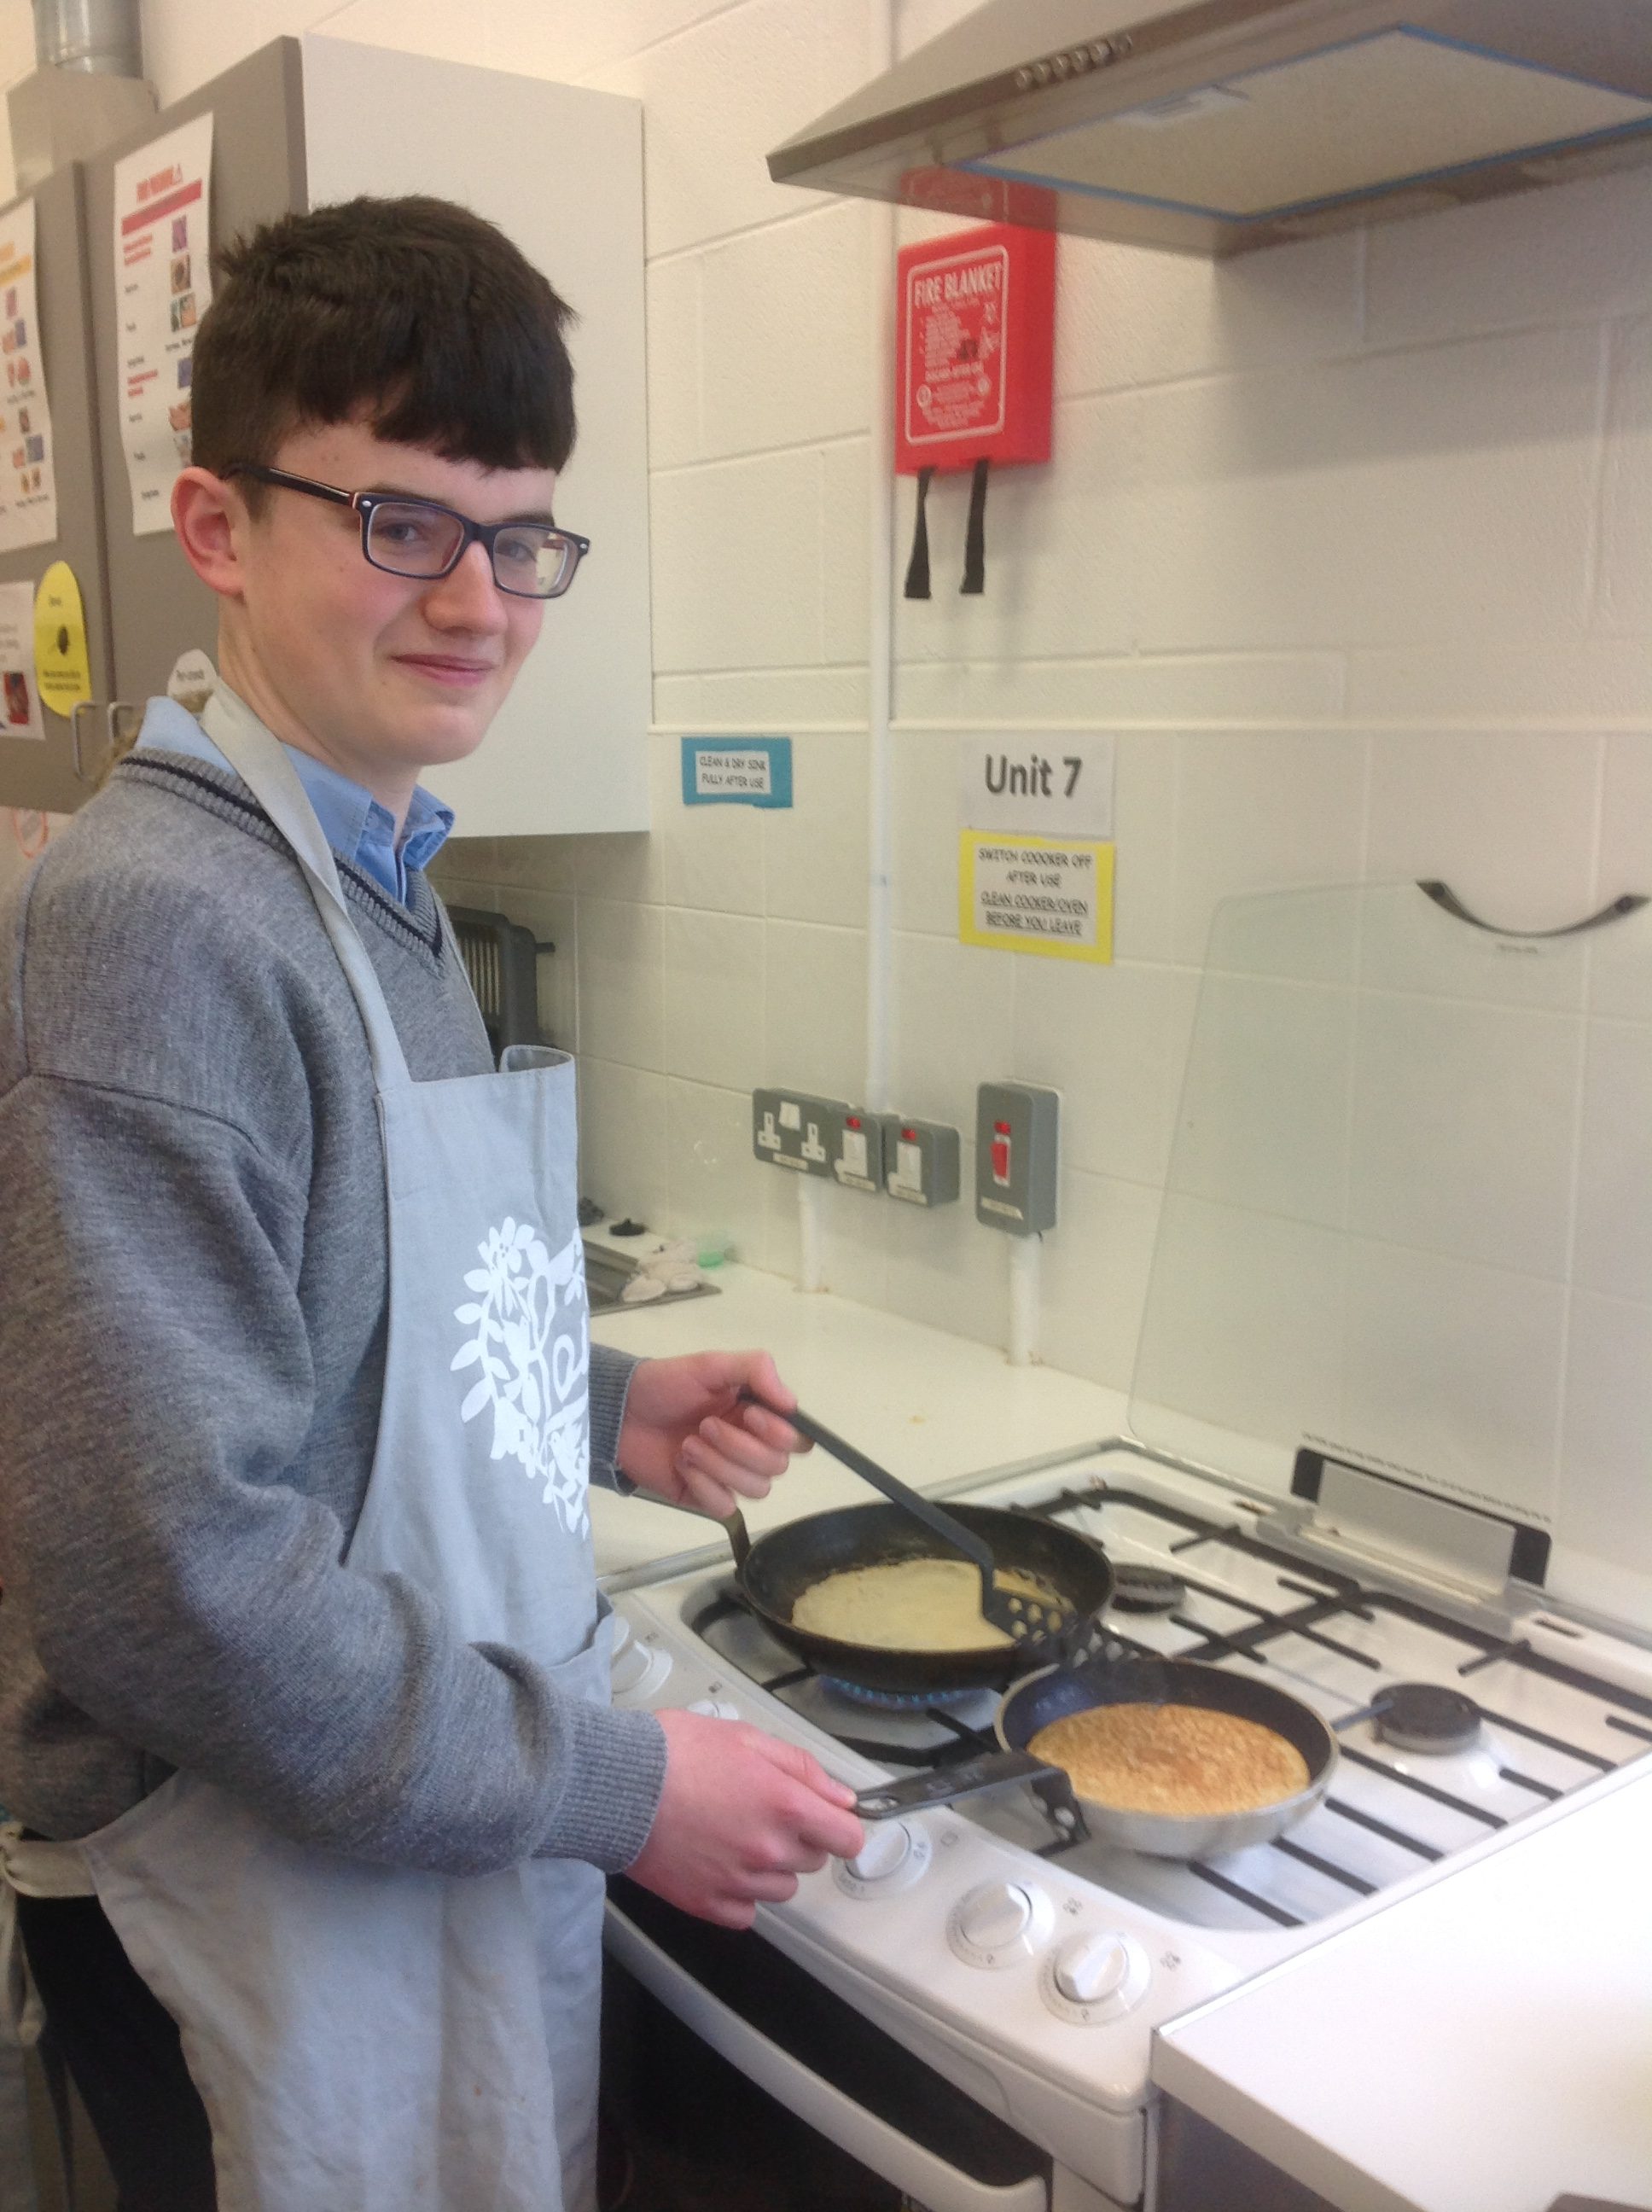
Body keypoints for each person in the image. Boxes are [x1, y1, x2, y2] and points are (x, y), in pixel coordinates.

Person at [0, 195, 864, 2212]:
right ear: (217, 527)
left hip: (374, 1807)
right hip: (218, 1872)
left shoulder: (374, 870)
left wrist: (600, 1402)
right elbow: (164, 1585)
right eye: (401, 522)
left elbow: (345, 1324)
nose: (479, 601)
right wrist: (616, 1785)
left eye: (521, 535)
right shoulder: (160, 923)